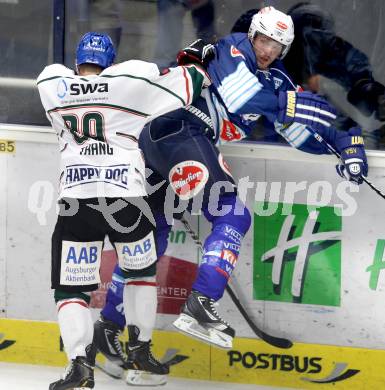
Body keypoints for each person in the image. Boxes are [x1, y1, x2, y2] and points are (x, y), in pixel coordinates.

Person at [93, 6, 368, 385]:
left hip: (164, 144)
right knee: (233, 215)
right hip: (178, 128)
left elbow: (307, 130)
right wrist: (290, 105)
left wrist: (347, 144)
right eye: (265, 38)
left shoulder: (275, 83)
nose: (269, 49)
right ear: (253, 34)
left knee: (150, 243)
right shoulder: (231, 48)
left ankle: (107, 332)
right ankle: (201, 302)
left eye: (278, 44)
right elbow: (238, 95)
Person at [37, 31, 212, 390]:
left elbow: (62, 81)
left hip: (76, 201)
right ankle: (140, 351)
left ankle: (79, 367)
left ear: (77, 61)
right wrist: (193, 60)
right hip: (126, 200)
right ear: (111, 62)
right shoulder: (131, 81)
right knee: (140, 275)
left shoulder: (52, 83)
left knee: (71, 291)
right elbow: (191, 84)